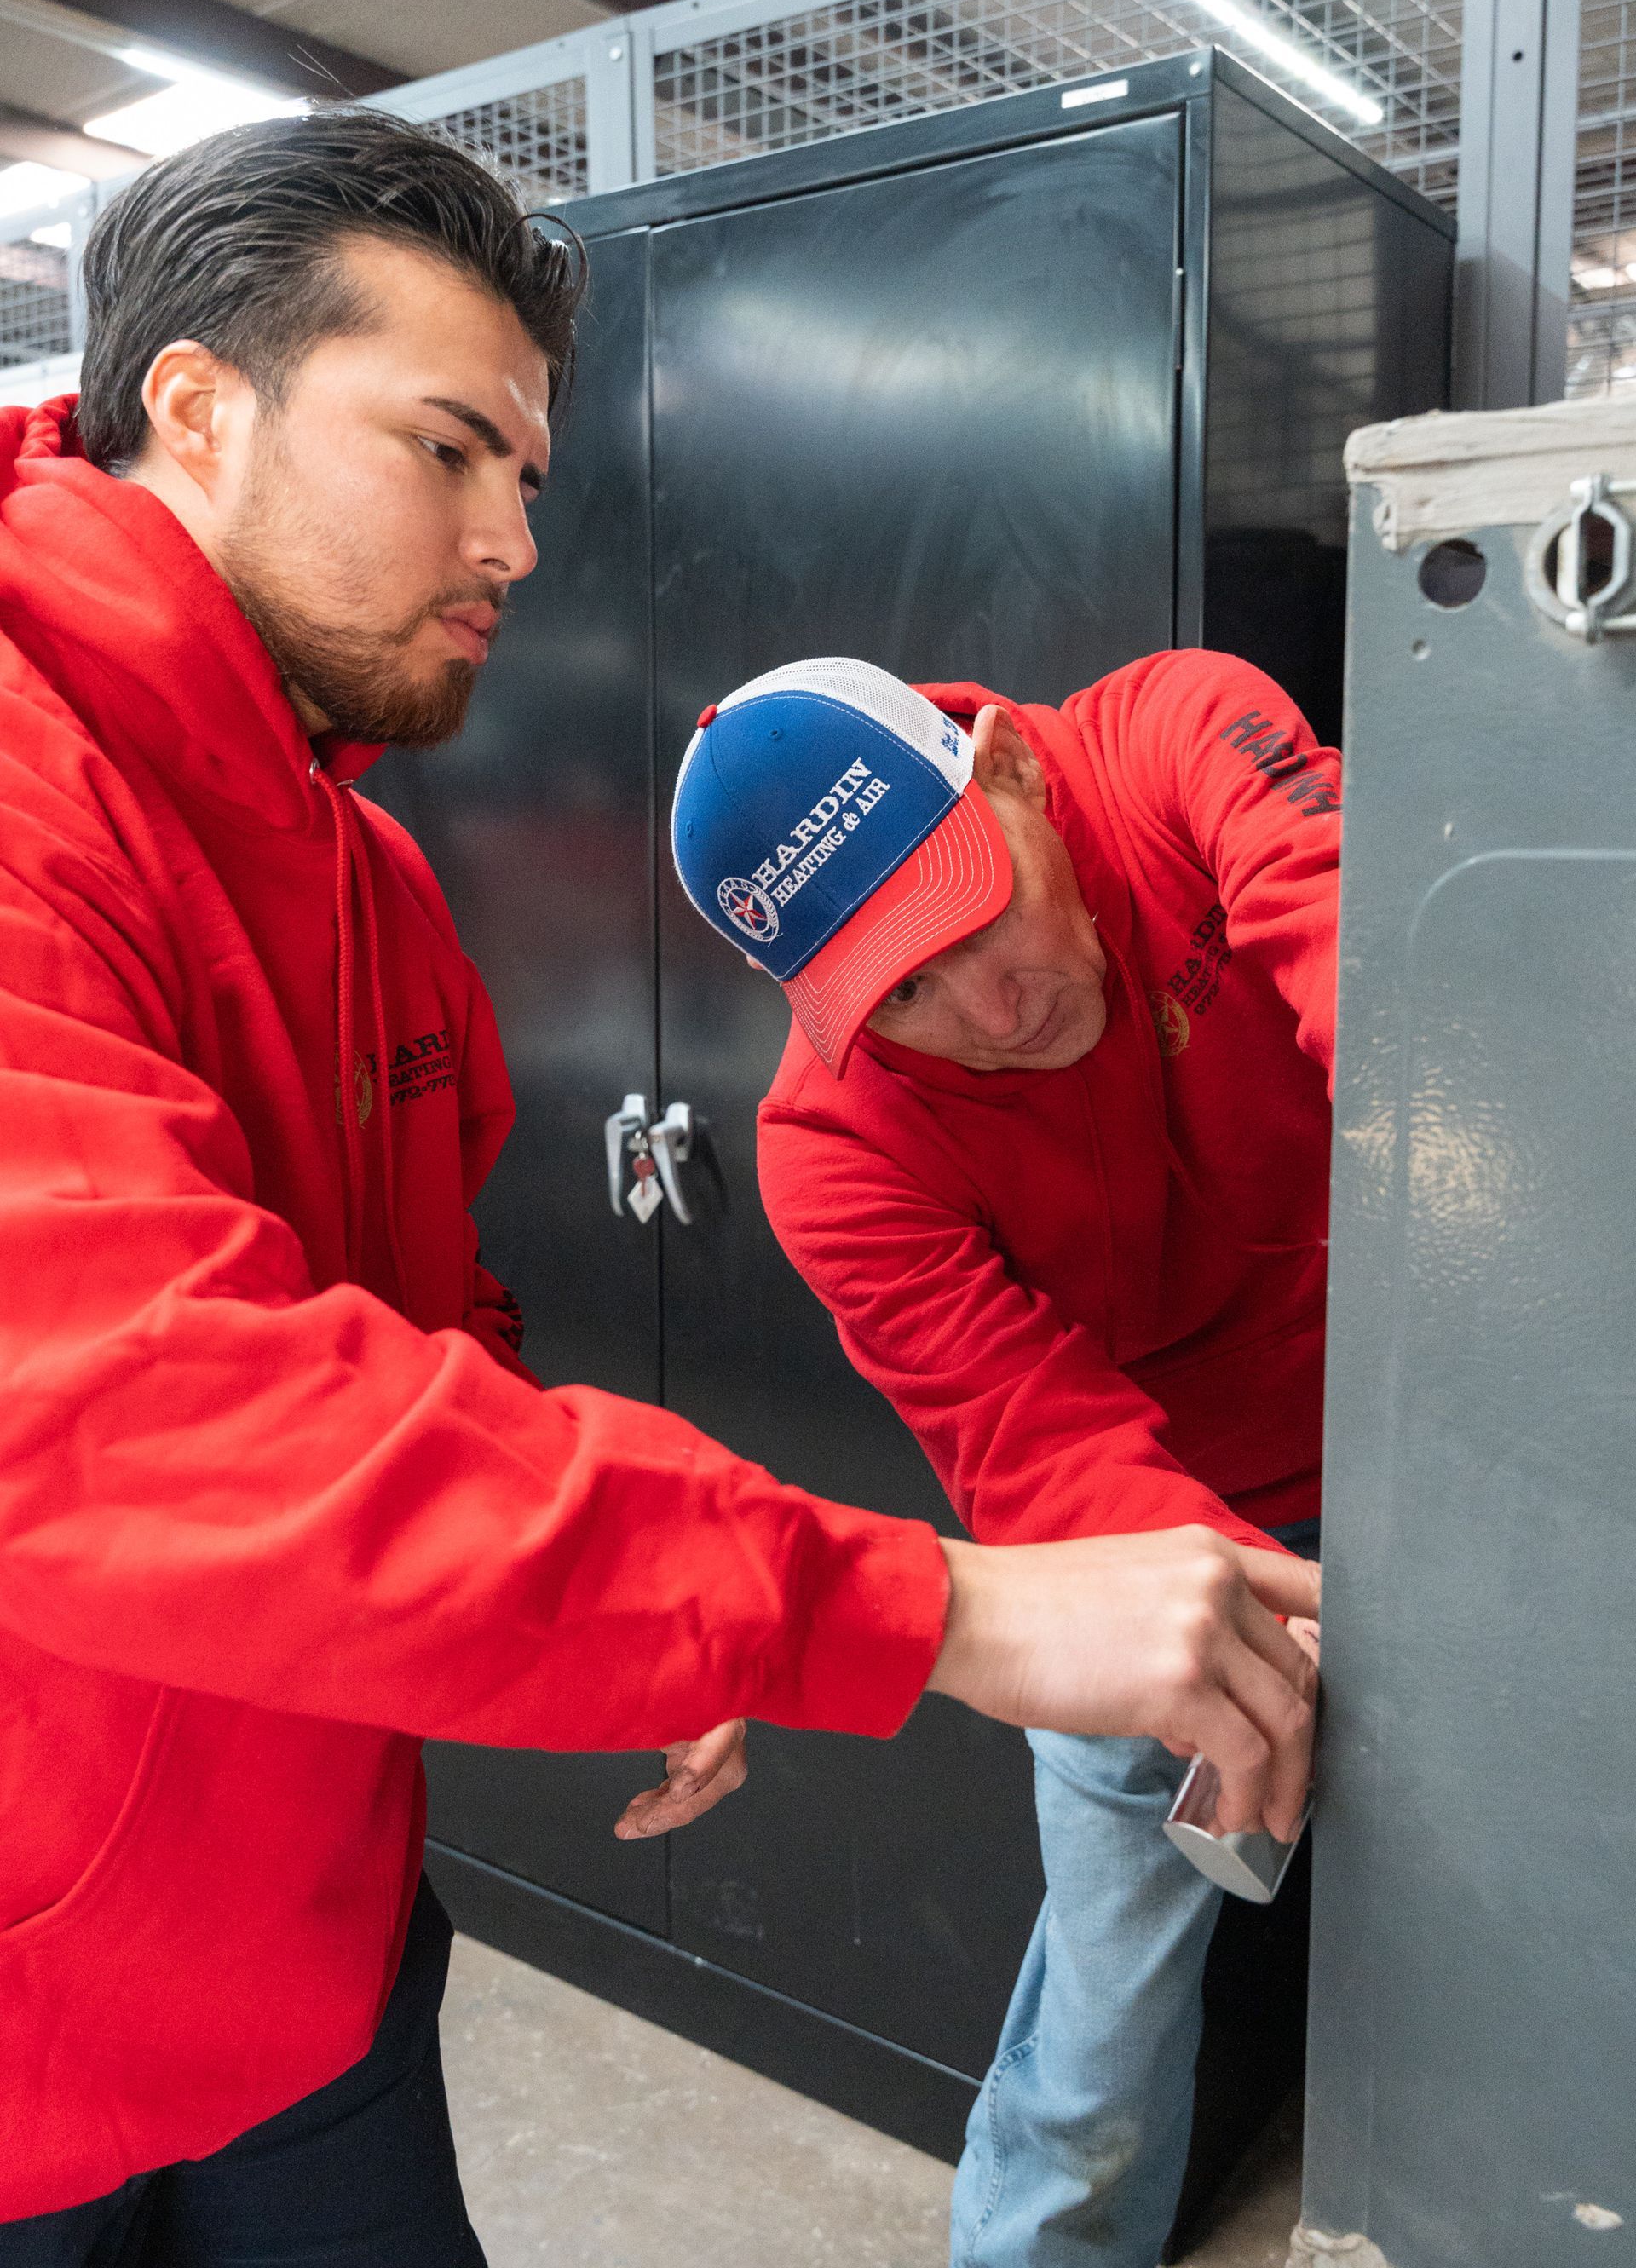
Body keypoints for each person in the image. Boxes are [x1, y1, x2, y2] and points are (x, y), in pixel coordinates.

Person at [0, 112, 1318, 2259]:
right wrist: (921, 1602)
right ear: (197, 407)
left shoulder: (372, 876)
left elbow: (438, 1343)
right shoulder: (28, 781)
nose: (516, 537)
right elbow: (121, 1418)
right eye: (447, 450)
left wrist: (645, 1608)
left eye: (526, 470)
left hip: (316, 1954)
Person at [671, 650, 1338, 2268]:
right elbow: (1037, 1448)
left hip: (1439, 1432)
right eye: (903, 991)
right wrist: (1243, 1633)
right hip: (1164, 1552)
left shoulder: (1175, 742)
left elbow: (1402, 972)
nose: (990, 1014)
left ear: (1013, 774)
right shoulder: (832, 1143)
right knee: (1094, 2047)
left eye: (975, 921)